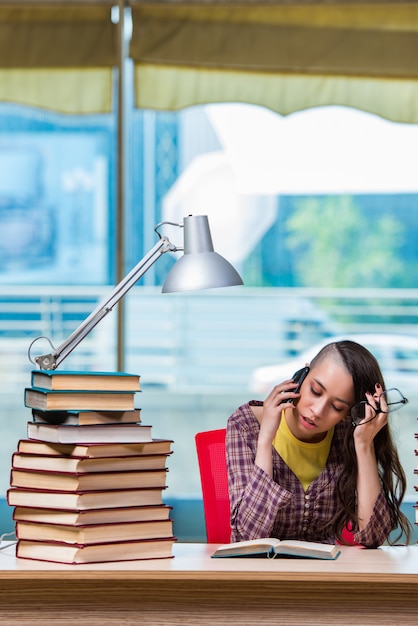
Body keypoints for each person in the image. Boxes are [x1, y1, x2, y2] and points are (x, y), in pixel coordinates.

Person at [226, 340, 411, 548]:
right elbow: (248, 538)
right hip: (261, 574)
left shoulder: (347, 434)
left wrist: (364, 444)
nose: (318, 411)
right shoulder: (246, 424)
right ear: (301, 377)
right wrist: (265, 439)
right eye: (315, 391)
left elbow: (373, 536)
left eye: (336, 406)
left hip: (326, 575)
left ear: (348, 413)